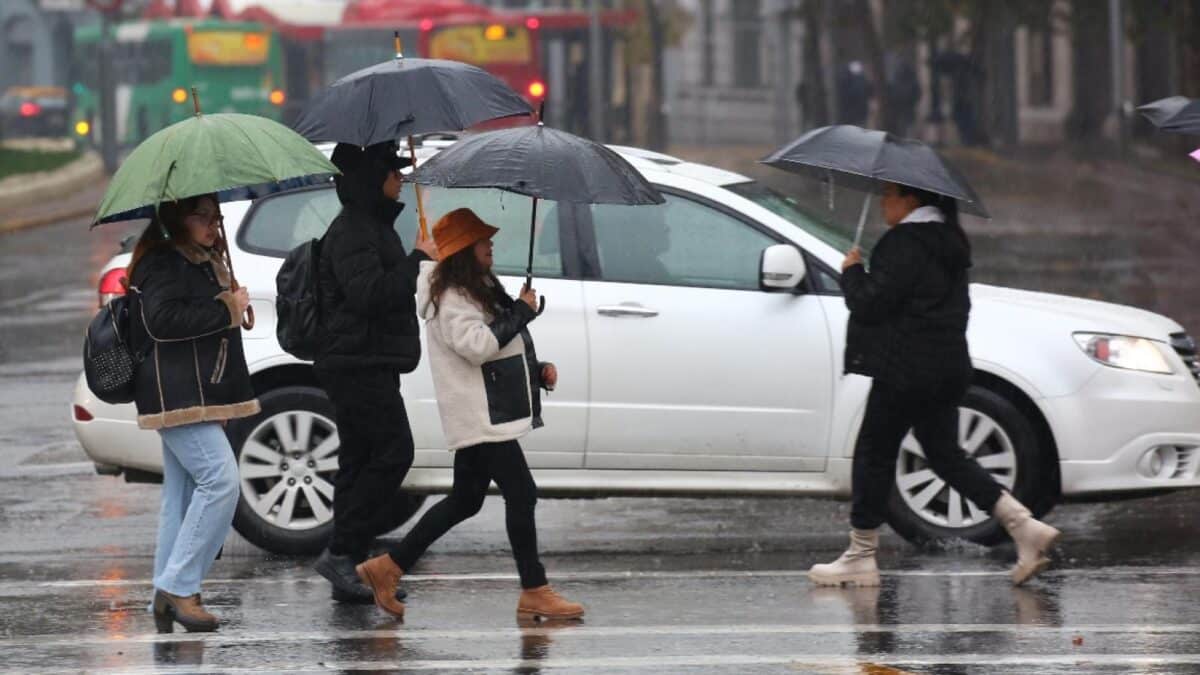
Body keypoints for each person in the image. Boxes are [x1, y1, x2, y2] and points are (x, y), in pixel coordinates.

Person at [809, 183, 1060, 588]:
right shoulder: (948, 240)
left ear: (912, 199)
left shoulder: (904, 243)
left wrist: (853, 271)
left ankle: (860, 555)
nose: (882, 202)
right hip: (945, 368)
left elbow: (871, 304)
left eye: (889, 194)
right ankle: (1024, 527)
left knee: (874, 453)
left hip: (904, 370)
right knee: (945, 456)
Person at [355, 208, 584, 622]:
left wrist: (536, 372)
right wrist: (521, 312)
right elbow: (477, 346)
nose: (490, 244)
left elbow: (498, 346)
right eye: (482, 239)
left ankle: (387, 568)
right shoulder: (451, 297)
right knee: (522, 493)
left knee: (465, 500)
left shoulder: (472, 287)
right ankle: (534, 589)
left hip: (486, 408)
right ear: (464, 249)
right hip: (481, 414)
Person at [312, 141, 439, 604]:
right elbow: (367, 294)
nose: (401, 179)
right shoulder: (353, 232)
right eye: (394, 171)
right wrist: (416, 260)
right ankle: (342, 552)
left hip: (368, 361)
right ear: (371, 178)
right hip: (354, 363)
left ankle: (351, 562)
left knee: (360, 461)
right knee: (393, 452)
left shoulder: (370, 226)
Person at [126, 194, 259, 632]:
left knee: (181, 497)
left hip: (196, 392)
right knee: (221, 481)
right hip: (176, 393)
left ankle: (164, 596)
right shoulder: (163, 262)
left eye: (216, 216)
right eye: (204, 216)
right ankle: (180, 587)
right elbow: (161, 320)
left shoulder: (200, 258)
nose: (214, 224)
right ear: (178, 219)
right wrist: (225, 308)